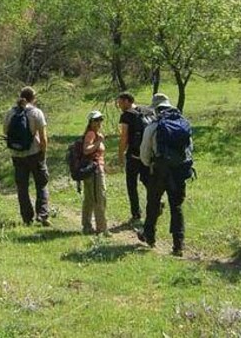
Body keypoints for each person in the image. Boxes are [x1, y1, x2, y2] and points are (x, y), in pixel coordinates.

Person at [137, 93, 193, 257]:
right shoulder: (184, 123)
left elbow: (144, 152)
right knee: (176, 206)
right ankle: (178, 244)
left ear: (156, 109)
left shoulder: (153, 126)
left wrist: (149, 165)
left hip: (159, 170)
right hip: (179, 170)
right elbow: (189, 149)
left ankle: (150, 236)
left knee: (153, 203)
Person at [3, 86, 50, 227]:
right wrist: (43, 152)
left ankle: (27, 218)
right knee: (41, 184)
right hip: (35, 153)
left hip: (17, 155)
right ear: (33, 98)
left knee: (22, 187)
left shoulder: (10, 112)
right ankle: (42, 215)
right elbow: (43, 138)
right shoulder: (36, 112)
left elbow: (5, 132)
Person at [116, 92, 152, 223]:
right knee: (148, 181)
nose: (119, 106)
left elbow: (124, 136)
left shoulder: (127, 115)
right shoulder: (148, 110)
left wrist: (120, 155)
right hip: (148, 153)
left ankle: (136, 214)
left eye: (120, 103)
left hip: (134, 154)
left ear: (127, 101)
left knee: (131, 184)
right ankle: (156, 203)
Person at [81, 110, 109, 235]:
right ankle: (101, 229)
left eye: (100, 119)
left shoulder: (95, 133)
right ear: (91, 122)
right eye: (96, 120)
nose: (99, 122)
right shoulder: (91, 134)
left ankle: (86, 226)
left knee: (90, 199)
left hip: (94, 170)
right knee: (99, 198)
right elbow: (86, 150)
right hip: (94, 171)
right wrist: (98, 142)